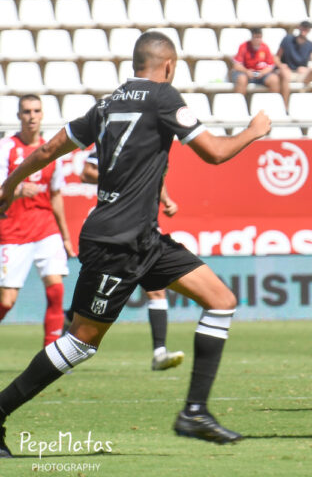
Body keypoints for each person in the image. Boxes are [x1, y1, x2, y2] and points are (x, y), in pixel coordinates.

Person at [0, 31, 271, 458]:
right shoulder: (164, 97)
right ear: (169, 65)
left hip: (144, 239)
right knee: (80, 343)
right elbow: (215, 153)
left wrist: (8, 185)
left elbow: (49, 148)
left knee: (221, 301)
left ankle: (195, 412)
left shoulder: (106, 104)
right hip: (116, 244)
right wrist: (254, 131)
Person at [80, 156, 185, 371]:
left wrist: (166, 199)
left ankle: (159, 352)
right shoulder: (112, 140)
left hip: (144, 230)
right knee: (93, 297)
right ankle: (67, 330)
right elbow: (86, 173)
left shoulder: (153, 146)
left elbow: (155, 175)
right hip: (113, 231)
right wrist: (125, 181)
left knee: (157, 292)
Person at [0, 95, 75, 348]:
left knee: (56, 290)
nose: (31, 116)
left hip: (46, 228)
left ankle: (49, 355)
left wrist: (65, 236)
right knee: (6, 301)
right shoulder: (6, 147)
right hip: (13, 231)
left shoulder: (51, 150)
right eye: (26, 111)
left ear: (42, 115)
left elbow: (55, 195)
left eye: (36, 111)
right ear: (18, 116)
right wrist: (19, 190)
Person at [275, 20, 312, 106]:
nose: (304, 30)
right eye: (303, 27)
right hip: (287, 72)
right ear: (299, 28)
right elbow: (276, 57)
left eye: (306, 28)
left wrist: (307, 69)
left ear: (309, 30)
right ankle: (284, 107)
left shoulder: (311, 45)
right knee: (284, 74)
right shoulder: (287, 40)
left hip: (301, 74)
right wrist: (281, 65)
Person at [230, 27, 281, 96]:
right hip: (246, 73)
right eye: (256, 37)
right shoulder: (243, 46)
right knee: (242, 79)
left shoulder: (265, 47)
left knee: (274, 79)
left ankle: (273, 101)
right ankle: (239, 101)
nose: (258, 40)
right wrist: (247, 71)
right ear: (251, 38)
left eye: (259, 37)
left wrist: (262, 73)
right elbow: (236, 65)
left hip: (261, 74)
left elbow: (270, 66)